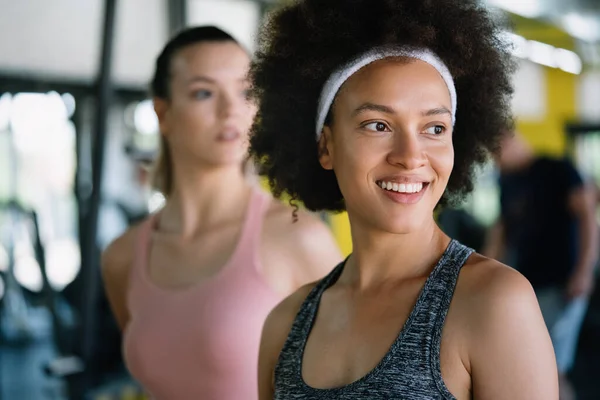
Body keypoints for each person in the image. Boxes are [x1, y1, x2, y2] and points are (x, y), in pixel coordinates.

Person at [249, 0, 559, 398]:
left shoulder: (493, 303)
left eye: (434, 127)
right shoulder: (286, 324)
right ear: (326, 147)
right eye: (377, 125)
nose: (411, 156)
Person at [101, 26, 342, 400]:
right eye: (204, 92)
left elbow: (350, 380)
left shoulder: (298, 239)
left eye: (246, 91)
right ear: (162, 113)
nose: (230, 109)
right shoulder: (122, 257)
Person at [485, 132, 599, 400]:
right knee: (526, 366)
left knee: (551, 370)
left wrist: (584, 272)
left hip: (562, 284)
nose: (494, 162)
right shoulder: (508, 180)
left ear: (510, 142)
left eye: (494, 154)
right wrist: (481, 269)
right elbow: (500, 232)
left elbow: (587, 219)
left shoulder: (557, 170)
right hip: (528, 286)